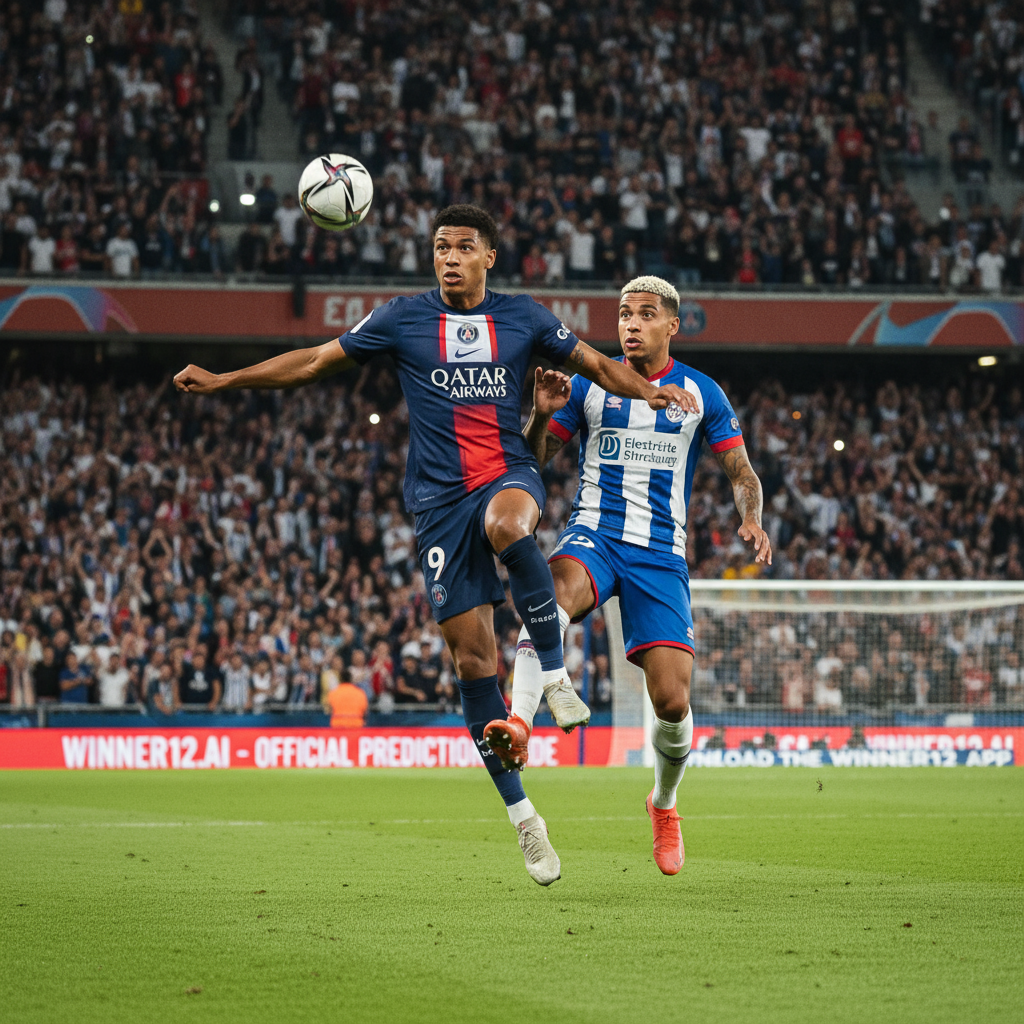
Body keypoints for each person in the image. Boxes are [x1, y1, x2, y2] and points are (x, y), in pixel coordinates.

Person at [173, 204, 694, 887]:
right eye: (440, 246)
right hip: (439, 505)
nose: (448, 257)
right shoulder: (401, 318)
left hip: (507, 473)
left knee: (512, 527)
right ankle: (524, 820)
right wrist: (226, 379)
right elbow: (314, 363)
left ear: (489, 257)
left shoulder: (525, 318)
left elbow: (598, 364)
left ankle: (559, 679)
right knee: (472, 661)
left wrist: (651, 395)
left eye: (462, 246)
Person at [485, 276, 772, 876]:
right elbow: (532, 461)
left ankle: (663, 804)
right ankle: (521, 720)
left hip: (660, 556)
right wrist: (540, 415)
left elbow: (742, 472)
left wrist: (752, 519)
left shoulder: (702, 393)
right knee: (552, 592)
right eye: (623, 314)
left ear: (673, 324)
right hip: (595, 535)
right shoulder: (591, 383)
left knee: (672, 701)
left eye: (645, 314)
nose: (631, 323)